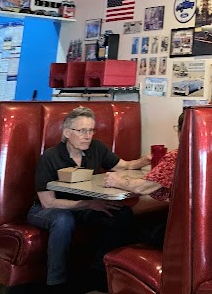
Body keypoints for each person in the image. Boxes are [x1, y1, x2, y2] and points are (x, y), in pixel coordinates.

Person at [27, 107, 151, 292]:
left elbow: (124, 165)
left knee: (120, 214)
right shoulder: (50, 157)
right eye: (82, 131)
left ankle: (98, 273)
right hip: (47, 210)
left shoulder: (96, 148)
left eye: (91, 130)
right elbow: (48, 202)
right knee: (63, 220)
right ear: (67, 133)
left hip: (82, 207)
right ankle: (56, 283)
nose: (88, 136)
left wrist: (146, 160)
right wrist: (89, 204)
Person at [103, 112, 184, 247]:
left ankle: (102, 264)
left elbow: (142, 187)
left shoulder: (177, 157)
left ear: (182, 131)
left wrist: (118, 182)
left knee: (121, 226)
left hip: (180, 230)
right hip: (205, 228)